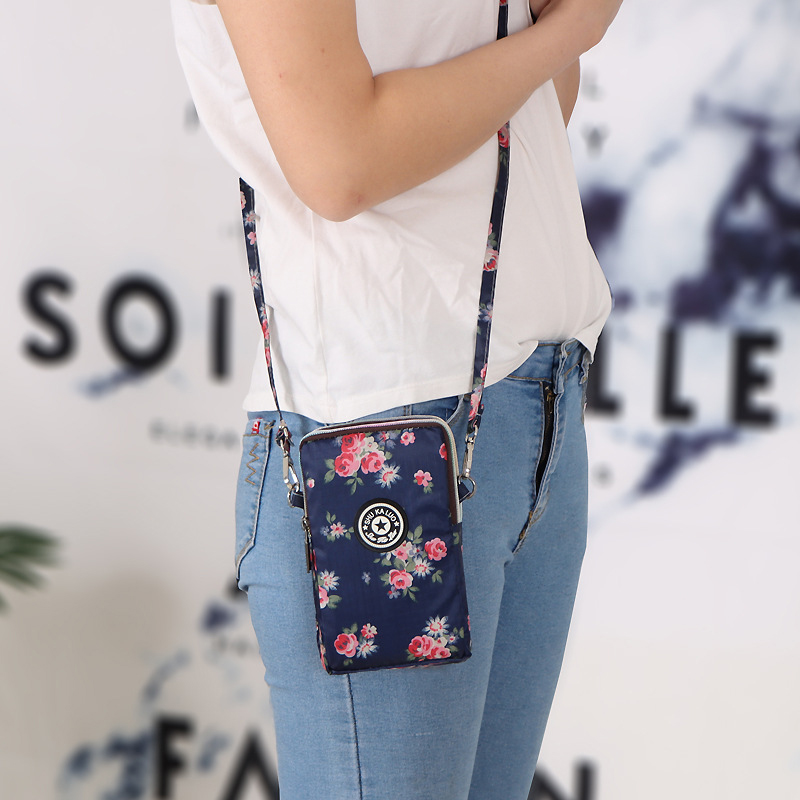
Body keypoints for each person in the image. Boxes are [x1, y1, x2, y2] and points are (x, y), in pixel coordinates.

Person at [171, 0, 623, 797]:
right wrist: (567, 30)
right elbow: (340, 161)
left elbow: (533, 110)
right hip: (378, 432)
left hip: (533, 403)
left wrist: (550, 31)